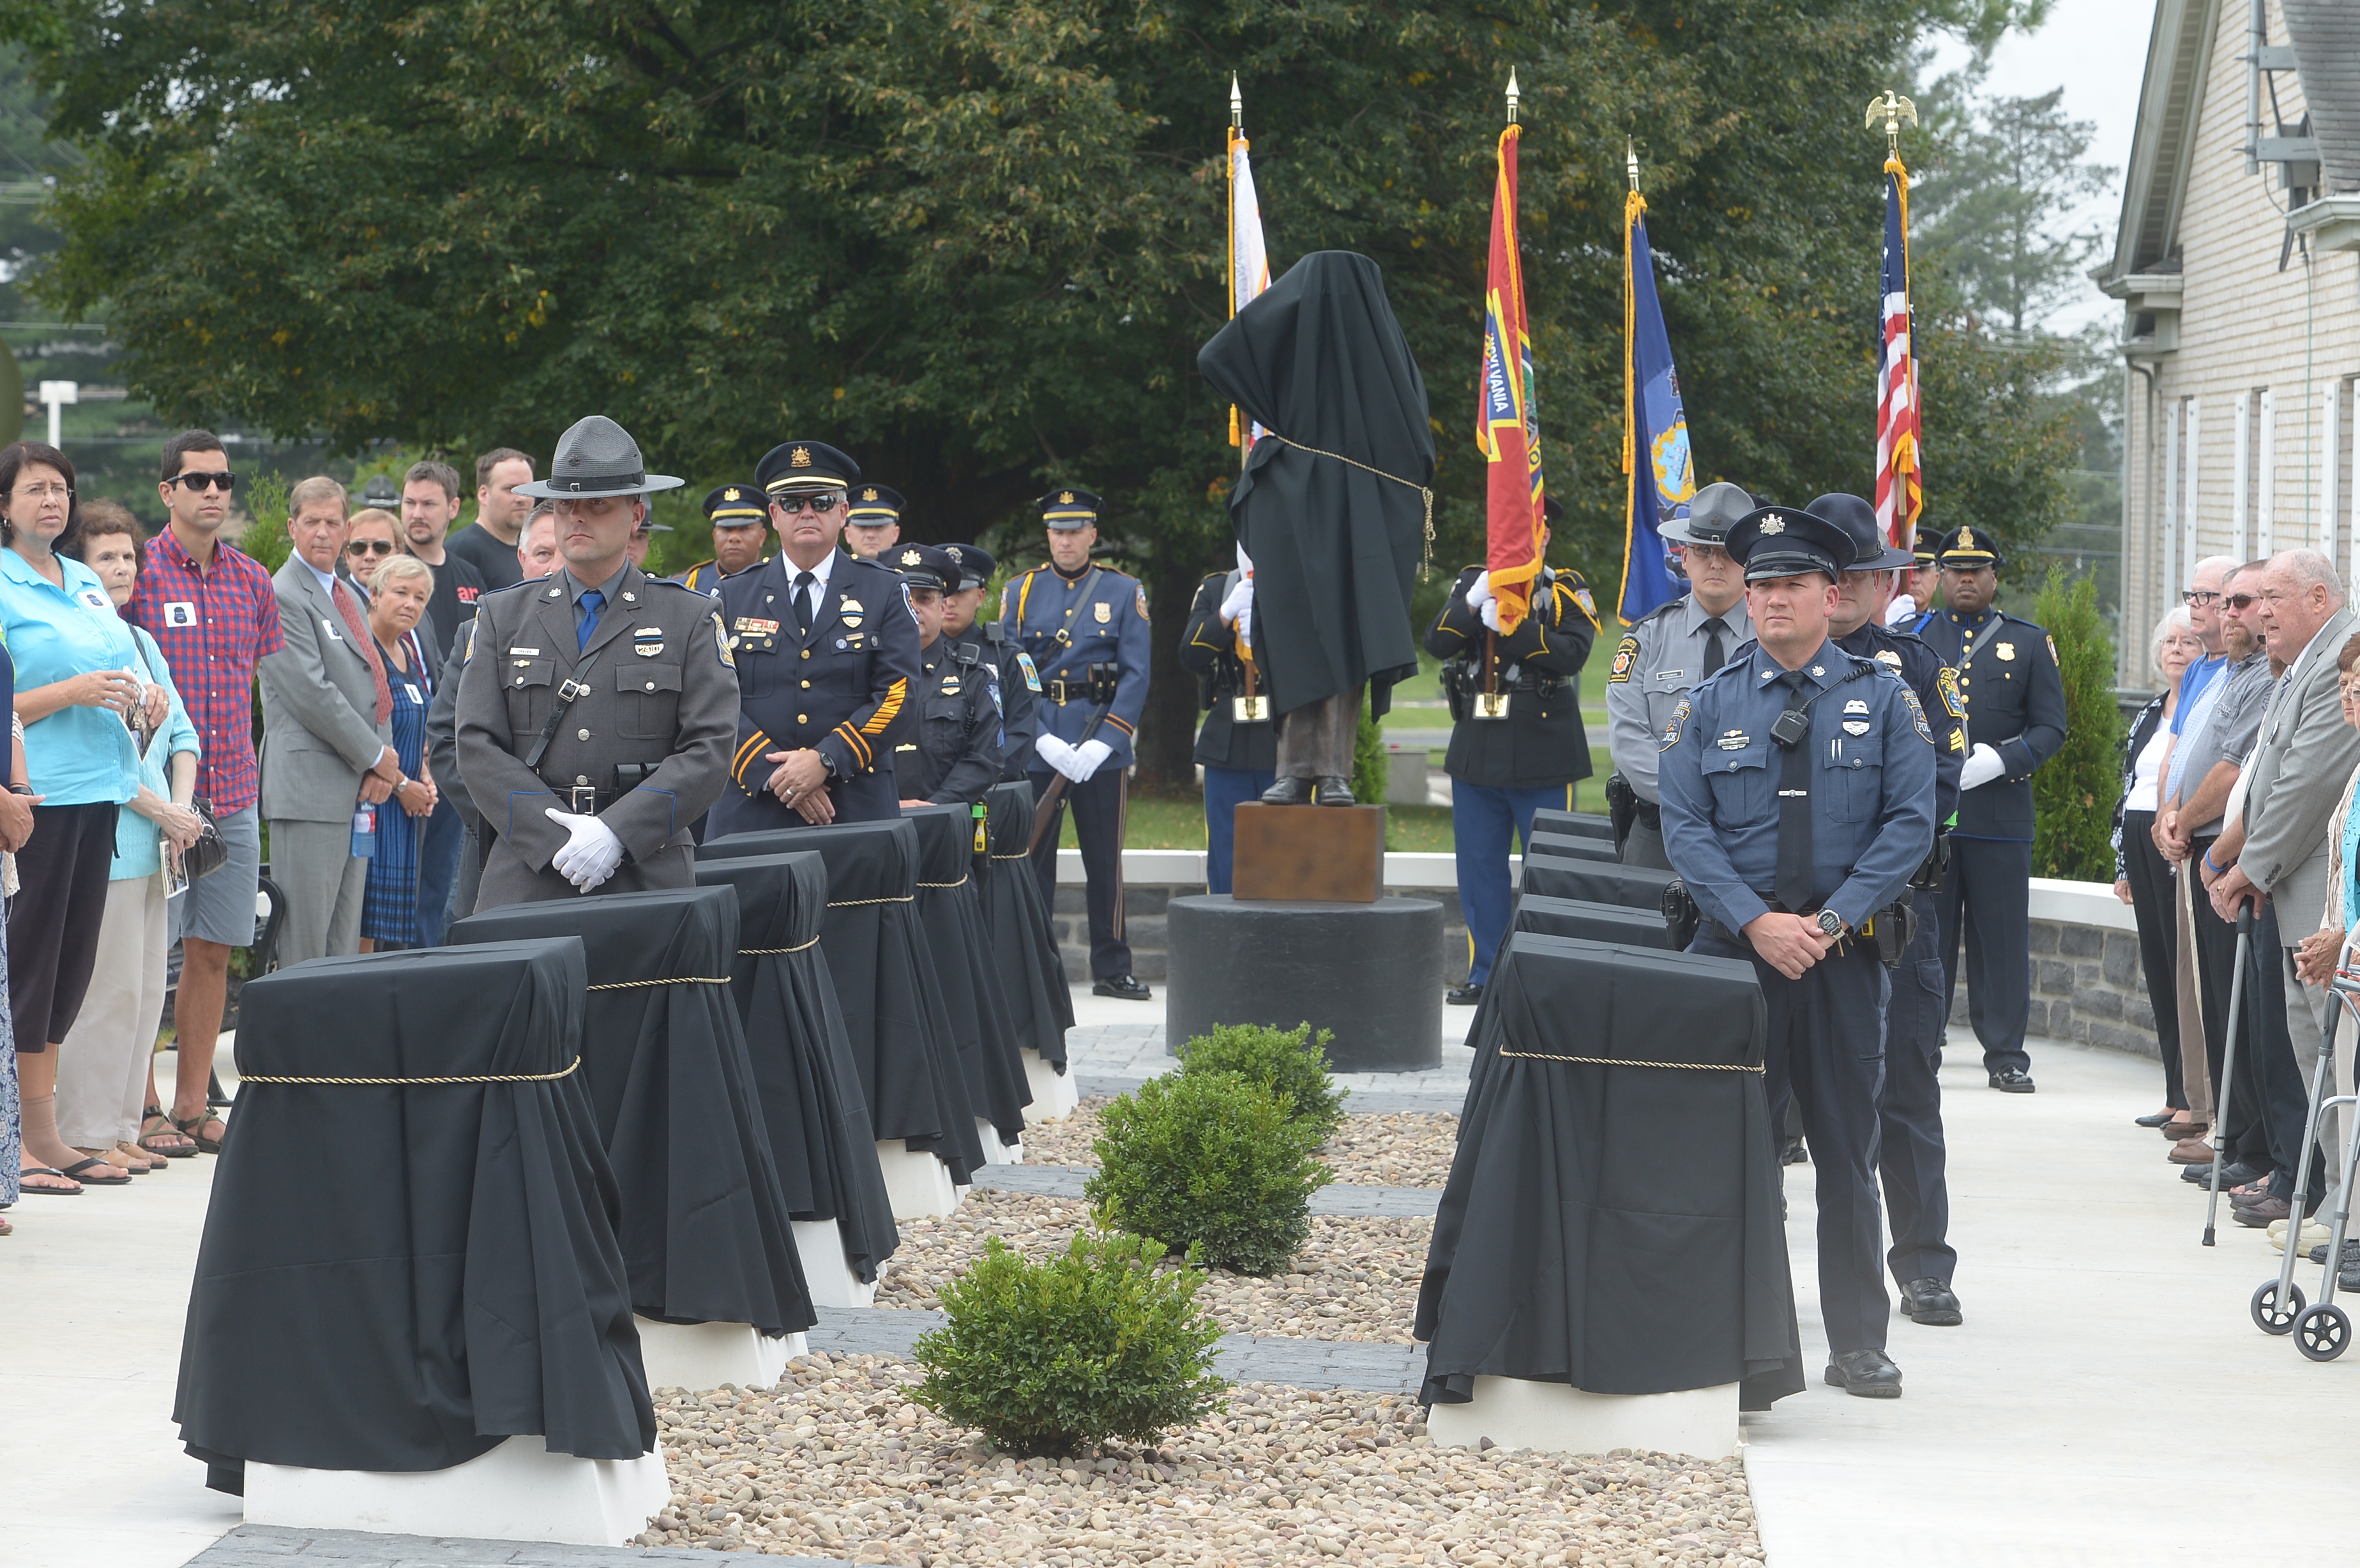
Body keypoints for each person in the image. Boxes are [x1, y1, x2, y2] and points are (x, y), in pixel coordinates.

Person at [1658, 502, 1935, 1398]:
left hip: (1841, 959)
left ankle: (1858, 1342)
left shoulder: (1884, 698)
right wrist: (1754, 923)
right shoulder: (1708, 705)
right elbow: (1687, 829)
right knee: (1732, 1157)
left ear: (1834, 592)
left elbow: (1909, 824)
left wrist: (1828, 922)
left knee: (1847, 1156)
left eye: (1793, 584)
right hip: (1738, 957)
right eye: (1762, 584)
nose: (1774, 598)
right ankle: (1744, 1345)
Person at [457, 414, 735, 907]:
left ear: (635, 515)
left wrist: (619, 833)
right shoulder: (502, 616)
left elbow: (709, 749)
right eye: (567, 504)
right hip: (529, 869)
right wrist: (552, 837)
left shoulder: (688, 616)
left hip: (647, 870)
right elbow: (476, 745)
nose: (577, 517)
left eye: (597, 503)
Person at [1807, 494, 1966, 1331]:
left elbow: (1936, 791)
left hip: (1891, 920)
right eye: (1836, 574)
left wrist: (1850, 888)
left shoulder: (1916, 669)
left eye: (1869, 573)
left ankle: (1924, 1267)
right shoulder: (1764, 675)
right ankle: (1748, 1267)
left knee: (1906, 1088)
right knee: (1768, 1104)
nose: (1855, 587)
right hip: (1785, 928)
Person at [2, 440, 151, 1195]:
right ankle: (16, 1140)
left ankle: (45, 1130)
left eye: (61, 488)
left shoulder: (88, 578)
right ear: (4, 505)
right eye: (35, 489)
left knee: (70, 969)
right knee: (28, 965)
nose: (52, 501)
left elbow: (116, 667)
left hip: (102, 789)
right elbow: (7, 700)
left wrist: (139, 693)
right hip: (40, 799)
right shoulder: (1, 583)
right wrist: (72, 692)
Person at [2202, 548, 2360, 1228]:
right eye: (2256, 598)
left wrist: (2247, 868)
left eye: (2272, 596)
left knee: (2331, 1062)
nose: (2259, 611)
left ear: (2319, 598)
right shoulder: (2308, 660)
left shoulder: (2335, 662)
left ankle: (2341, 1211)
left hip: (2318, 905)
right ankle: (2331, 1206)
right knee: (2309, 1057)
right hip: (2293, 889)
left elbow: (2305, 784)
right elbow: (2272, 771)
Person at [55, 499, 203, 1173]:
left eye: (127, 556)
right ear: (76, 568)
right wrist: (161, 811)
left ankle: (119, 1126)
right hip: (108, 839)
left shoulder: (142, 642)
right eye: (104, 556)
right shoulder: (73, 645)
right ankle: (83, 1130)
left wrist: (182, 807)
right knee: (104, 991)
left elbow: (183, 734)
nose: (120, 568)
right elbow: (101, 757)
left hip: (156, 847)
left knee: (146, 993)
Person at [1425, 505, 1600, 1005]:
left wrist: (1513, 628)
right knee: (1479, 869)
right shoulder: (1472, 582)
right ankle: (1486, 971)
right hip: (1478, 749)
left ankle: (1545, 971)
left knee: (1548, 867)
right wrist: (1474, 603)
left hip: (1543, 751)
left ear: (1544, 536)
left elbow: (1572, 653)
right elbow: (1437, 642)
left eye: (1531, 531)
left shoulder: (1563, 587)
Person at [1914, 525, 2068, 1092]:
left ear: (1994, 577)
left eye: (1977, 570)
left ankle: (2005, 1055)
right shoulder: (1916, 638)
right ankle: (1922, 1044)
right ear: (1941, 577)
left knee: (2000, 941)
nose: (1967, 579)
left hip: (2000, 818)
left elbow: (2052, 726)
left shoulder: (2027, 643)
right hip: (1929, 819)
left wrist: (2004, 761)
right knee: (1925, 942)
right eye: (1956, 570)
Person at [710, 440, 922, 833]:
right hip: (753, 802)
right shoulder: (731, 595)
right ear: (774, 515)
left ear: (843, 513)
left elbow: (898, 694)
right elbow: (710, 697)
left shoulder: (886, 592)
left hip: (855, 801)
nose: (807, 512)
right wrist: (775, 773)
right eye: (792, 503)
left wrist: (826, 759)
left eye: (822, 502)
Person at [1002, 486, 1152, 1000]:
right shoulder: (1019, 591)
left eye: (1075, 531)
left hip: (1097, 745)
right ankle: (1034, 968)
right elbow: (1011, 672)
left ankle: (1113, 968)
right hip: (1042, 742)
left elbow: (1136, 674)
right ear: (1048, 535)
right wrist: (1038, 737)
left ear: (1093, 534)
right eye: (1057, 531)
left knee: (1105, 862)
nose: (1066, 540)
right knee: (1034, 858)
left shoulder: (1123, 591)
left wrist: (1106, 743)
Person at [2156, 564, 2277, 1181]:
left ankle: (2241, 1137)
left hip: (2225, 852)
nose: (2227, 614)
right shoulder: (2224, 671)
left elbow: (2235, 770)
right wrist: (2169, 815)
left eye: (2240, 602)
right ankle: (2232, 1132)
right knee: (2218, 1004)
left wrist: (2193, 829)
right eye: (2220, 603)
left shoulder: (2263, 678)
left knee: (2244, 1014)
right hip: (2199, 843)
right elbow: (2183, 749)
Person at [258, 476, 401, 965]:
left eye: (333, 523)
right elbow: (311, 694)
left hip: (353, 790)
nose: (322, 532)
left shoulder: (349, 595)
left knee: (341, 946)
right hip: (308, 793)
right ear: (292, 527)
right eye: (312, 522)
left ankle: (334, 1043)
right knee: (304, 946)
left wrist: (377, 764)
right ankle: (298, 1044)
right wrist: (378, 756)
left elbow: (373, 681)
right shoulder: (279, 595)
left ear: (346, 531)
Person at [1604, 481, 1755, 871]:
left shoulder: (1776, 636)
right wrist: (1695, 800)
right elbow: (1629, 740)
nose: (1716, 564)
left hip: (1755, 834)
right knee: (1643, 931)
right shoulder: (1646, 639)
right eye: (1703, 551)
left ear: (1751, 561)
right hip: (1662, 832)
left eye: (1728, 553)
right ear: (1684, 558)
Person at [429, 503, 561, 924]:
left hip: (598, 859)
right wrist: (530, 826)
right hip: (500, 854)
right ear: (522, 560)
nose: (555, 567)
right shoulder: (481, 631)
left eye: (564, 554)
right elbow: (448, 745)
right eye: (542, 554)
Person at [2114, 608, 2204, 1129]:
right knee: (2158, 965)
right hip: (2141, 838)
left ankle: (2195, 1095)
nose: (2176, 649)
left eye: (2187, 641)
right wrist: (2123, 863)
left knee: (2184, 970)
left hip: (2178, 840)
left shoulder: (2198, 708)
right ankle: (2175, 1090)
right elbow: (2126, 790)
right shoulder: (2150, 712)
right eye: (2169, 641)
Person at [357, 553, 442, 949]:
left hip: (405, 810)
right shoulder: (362, 649)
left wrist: (424, 772)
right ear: (374, 595)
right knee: (361, 931)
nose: (411, 604)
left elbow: (415, 724)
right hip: (373, 807)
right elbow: (363, 734)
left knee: (388, 939)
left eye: (420, 597)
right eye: (401, 593)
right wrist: (404, 785)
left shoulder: (408, 650)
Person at [1178, 559, 1275, 894]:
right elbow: (1190, 655)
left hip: (1284, 739)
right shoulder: (1217, 588)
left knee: (1284, 857)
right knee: (1225, 857)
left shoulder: (1298, 579)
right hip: (1228, 741)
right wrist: (1224, 615)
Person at [891, 544, 1002, 805]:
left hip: (948, 821)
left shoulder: (973, 677)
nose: (914, 608)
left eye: (924, 599)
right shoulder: (859, 675)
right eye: (904, 599)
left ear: (943, 608)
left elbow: (985, 758)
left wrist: (936, 807)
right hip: (877, 822)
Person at [941, 543, 1038, 781]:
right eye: (943, 592)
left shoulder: (1008, 658)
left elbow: (1021, 735)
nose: (950, 602)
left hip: (993, 788)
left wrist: (969, 780)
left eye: (961, 592)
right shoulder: (911, 656)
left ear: (980, 596)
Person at [399, 459, 487, 652]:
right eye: (410, 503)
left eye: (428, 504)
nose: (417, 514)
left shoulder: (470, 575)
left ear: (453, 508)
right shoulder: (388, 570)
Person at [445, 447, 536, 594]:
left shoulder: (528, 550)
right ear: (483, 494)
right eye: (511, 489)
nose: (522, 498)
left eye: (528, 488)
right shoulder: (463, 550)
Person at [675, 484, 769, 595]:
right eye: (726, 529)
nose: (734, 538)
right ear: (714, 536)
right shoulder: (687, 586)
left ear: (762, 537)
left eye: (744, 529)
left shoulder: (779, 583)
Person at [1883, 524, 1942, 628]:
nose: (1914, 579)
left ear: (1936, 580)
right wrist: (1885, 625)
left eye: (1922, 571)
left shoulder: (1941, 627)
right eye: (1908, 571)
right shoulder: (1879, 618)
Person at [340, 507, 402, 597]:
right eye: (359, 547)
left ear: (399, 555)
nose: (369, 556)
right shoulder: (336, 605)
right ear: (347, 555)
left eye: (381, 547)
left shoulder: (413, 604)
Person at [842, 485, 904, 561]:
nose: (871, 535)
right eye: (863, 528)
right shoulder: (834, 572)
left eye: (879, 527)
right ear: (848, 535)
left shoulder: (909, 572)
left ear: (895, 534)